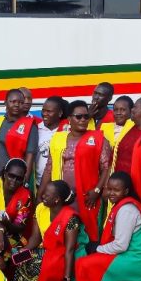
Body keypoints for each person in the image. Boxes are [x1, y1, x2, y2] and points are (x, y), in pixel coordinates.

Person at [75, 172, 141, 281]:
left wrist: (97, 248)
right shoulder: (122, 206)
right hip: (132, 254)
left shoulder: (127, 210)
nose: (111, 193)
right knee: (85, 259)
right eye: (109, 189)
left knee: (84, 263)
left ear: (126, 191)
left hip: (137, 258)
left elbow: (120, 246)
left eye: (116, 190)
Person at [40, 100, 111, 237]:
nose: (83, 120)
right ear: (69, 119)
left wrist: (97, 190)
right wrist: (41, 193)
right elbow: (49, 167)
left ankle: (86, 250)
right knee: (63, 229)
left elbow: (106, 168)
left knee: (86, 230)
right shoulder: (58, 138)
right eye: (78, 117)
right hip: (61, 196)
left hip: (87, 196)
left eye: (86, 116)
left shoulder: (99, 138)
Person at [12, 180, 89, 281]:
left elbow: (69, 250)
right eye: (44, 193)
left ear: (57, 199)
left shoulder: (70, 217)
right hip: (48, 250)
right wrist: (24, 250)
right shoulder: (40, 209)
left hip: (66, 255)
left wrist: (67, 278)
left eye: (47, 195)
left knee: (38, 262)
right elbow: (36, 238)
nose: (43, 196)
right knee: (19, 257)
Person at [0, 158, 32, 252]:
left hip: (9, 234)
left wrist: (7, 223)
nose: (14, 181)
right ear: (5, 174)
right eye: (11, 176)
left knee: (19, 254)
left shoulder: (25, 196)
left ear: (23, 179)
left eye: (19, 178)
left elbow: (20, 227)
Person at [0, 89, 38, 183]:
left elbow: (30, 156)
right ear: (5, 102)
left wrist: (24, 181)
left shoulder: (29, 126)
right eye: (13, 101)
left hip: (15, 179)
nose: (17, 105)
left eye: (20, 102)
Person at [36, 96, 68, 184]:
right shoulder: (36, 129)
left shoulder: (67, 130)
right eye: (43, 110)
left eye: (49, 111)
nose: (45, 114)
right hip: (37, 183)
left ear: (60, 113)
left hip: (59, 182)